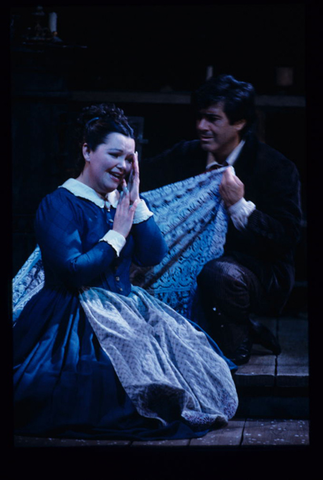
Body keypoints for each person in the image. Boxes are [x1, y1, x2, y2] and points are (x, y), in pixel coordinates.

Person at [13, 103, 238, 440]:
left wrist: (135, 202)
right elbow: (74, 272)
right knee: (101, 379)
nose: (122, 166)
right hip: (71, 314)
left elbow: (152, 254)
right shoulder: (60, 203)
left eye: (129, 158)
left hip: (126, 304)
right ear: (87, 151)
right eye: (115, 155)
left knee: (186, 356)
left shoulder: (121, 200)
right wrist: (117, 233)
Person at [140, 74, 303, 365]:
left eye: (213, 119)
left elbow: (285, 237)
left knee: (219, 274)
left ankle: (237, 341)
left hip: (256, 272)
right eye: (201, 117)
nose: (202, 126)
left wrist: (239, 205)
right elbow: (143, 183)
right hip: (186, 264)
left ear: (239, 122)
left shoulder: (275, 167)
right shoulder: (185, 155)